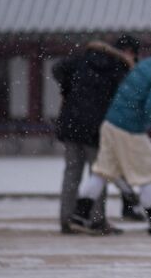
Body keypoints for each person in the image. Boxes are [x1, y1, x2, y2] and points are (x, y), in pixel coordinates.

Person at [67, 56, 151, 236]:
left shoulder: (148, 63)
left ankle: (79, 216)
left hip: (111, 124)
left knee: (102, 171)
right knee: (146, 175)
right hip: (130, 130)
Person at [52, 35, 146, 235]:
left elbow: (57, 69)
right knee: (99, 173)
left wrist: (67, 90)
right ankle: (96, 220)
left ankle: (67, 219)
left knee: (71, 173)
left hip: (71, 123)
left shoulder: (80, 60)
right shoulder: (118, 67)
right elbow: (124, 101)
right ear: (129, 52)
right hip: (97, 127)